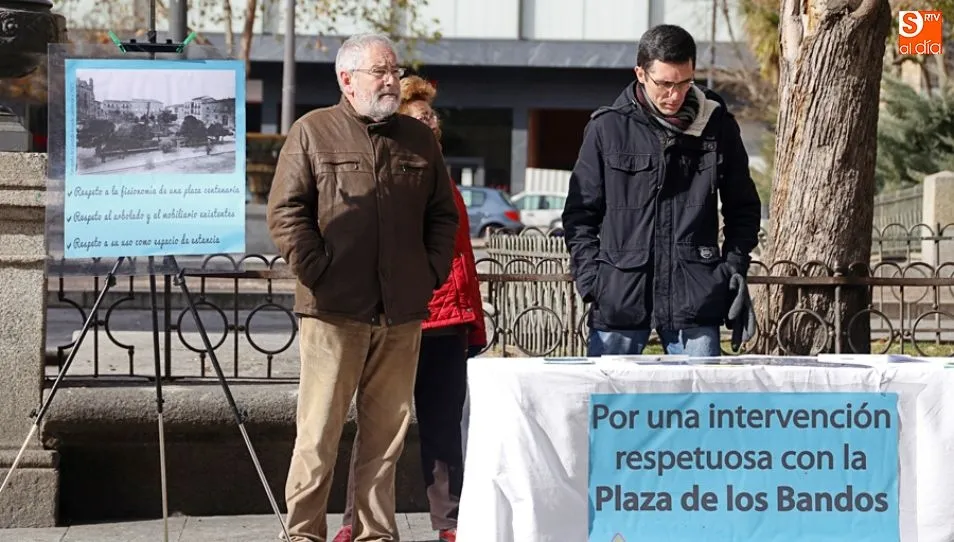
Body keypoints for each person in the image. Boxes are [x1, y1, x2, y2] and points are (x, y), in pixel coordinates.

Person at [267, 33, 459, 542]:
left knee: (386, 437)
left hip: (400, 313)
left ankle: (377, 533)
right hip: (333, 310)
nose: (392, 80)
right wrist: (318, 272)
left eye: (394, 70)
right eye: (381, 71)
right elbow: (286, 212)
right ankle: (303, 532)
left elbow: (443, 216)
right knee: (318, 434)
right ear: (346, 80)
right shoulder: (313, 132)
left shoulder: (418, 141)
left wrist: (429, 274)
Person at [333, 76, 486, 542]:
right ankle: (356, 521)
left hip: (448, 320)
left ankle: (451, 523)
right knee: (380, 428)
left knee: (443, 431)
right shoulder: (396, 171)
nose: (430, 121)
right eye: (419, 115)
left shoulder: (441, 173)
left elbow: (462, 259)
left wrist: (472, 322)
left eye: (431, 115)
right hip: (403, 316)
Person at [562, 24, 761, 358]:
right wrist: (592, 281)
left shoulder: (718, 126)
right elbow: (580, 214)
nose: (675, 94)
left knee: (699, 407)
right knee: (611, 405)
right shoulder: (607, 128)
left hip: (696, 294)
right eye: (665, 83)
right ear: (640, 73)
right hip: (619, 295)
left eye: (685, 83)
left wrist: (732, 268)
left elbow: (743, 207)